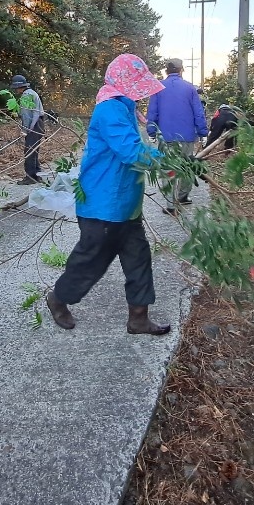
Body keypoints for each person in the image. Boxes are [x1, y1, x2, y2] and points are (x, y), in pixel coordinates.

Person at [45, 54, 172, 336]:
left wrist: (165, 159)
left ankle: (138, 318)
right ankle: (58, 298)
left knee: (139, 259)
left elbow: (135, 149)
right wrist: (166, 162)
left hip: (126, 206)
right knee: (91, 262)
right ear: (124, 83)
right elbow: (130, 152)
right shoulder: (109, 110)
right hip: (102, 205)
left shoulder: (125, 108)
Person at [145, 58, 208, 213]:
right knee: (186, 166)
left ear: (167, 70)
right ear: (181, 70)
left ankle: (170, 205)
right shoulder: (190, 88)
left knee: (168, 168)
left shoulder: (158, 88)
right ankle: (182, 196)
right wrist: (203, 133)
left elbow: (152, 113)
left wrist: (151, 132)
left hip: (166, 137)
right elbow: (198, 113)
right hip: (186, 135)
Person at [10, 74, 45, 185]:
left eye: (16, 88)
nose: (15, 90)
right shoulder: (32, 93)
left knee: (29, 151)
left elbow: (27, 116)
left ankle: (31, 177)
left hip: (34, 125)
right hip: (40, 123)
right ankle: (37, 174)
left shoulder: (26, 96)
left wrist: (24, 130)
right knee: (34, 150)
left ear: (19, 87)